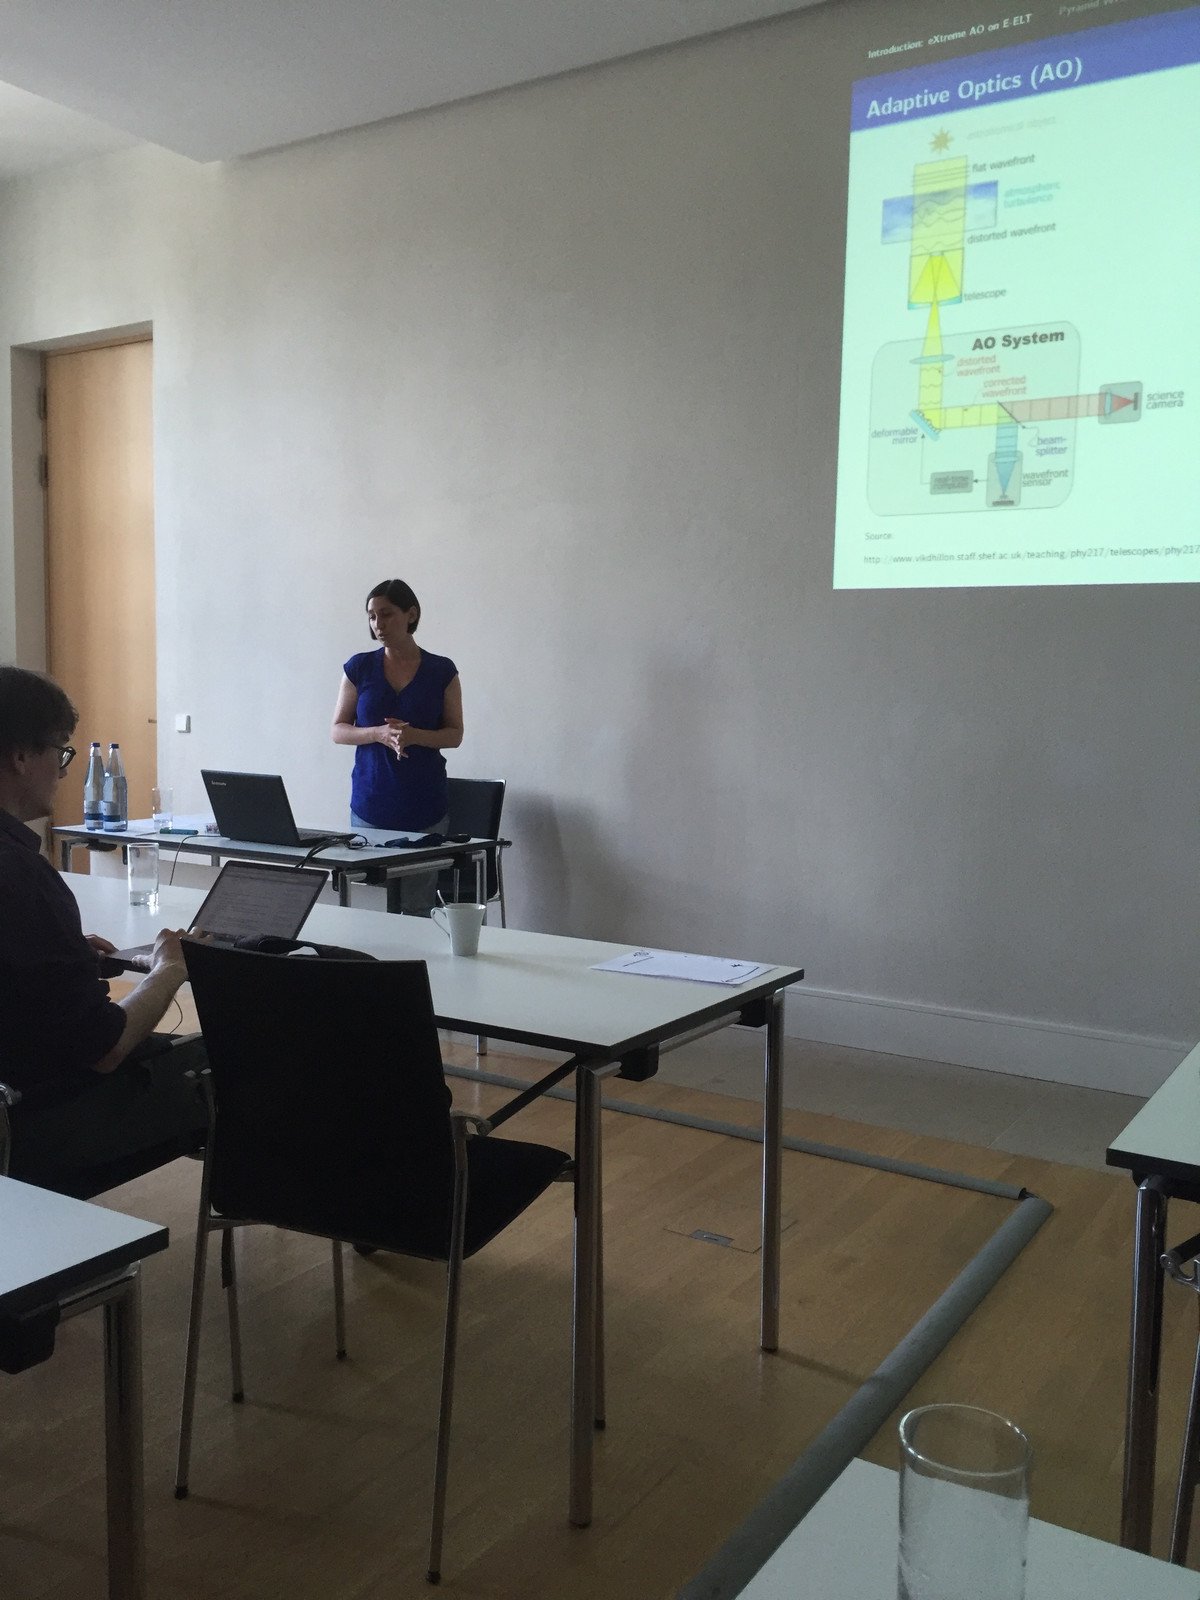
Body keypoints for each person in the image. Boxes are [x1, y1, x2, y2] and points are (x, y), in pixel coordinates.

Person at [0, 665, 208, 1195]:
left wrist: (66, 960)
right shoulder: (24, 878)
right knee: (226, 1056)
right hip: (36, 1126)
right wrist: (169, 969)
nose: (63, 771)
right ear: (21, 756)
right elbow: (105, 1048)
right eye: (60, 752)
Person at [331, 579, 464, 915]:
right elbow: (338, 730)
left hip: (425, 808)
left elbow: (454, 734)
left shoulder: (442, 671)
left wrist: (414, 735)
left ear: (411, 614)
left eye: (387, 614)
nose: (378, 624)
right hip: (371, 805)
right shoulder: (359, 667)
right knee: (370, 911)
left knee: (418, 910)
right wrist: (378, 733)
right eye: (372, 616)